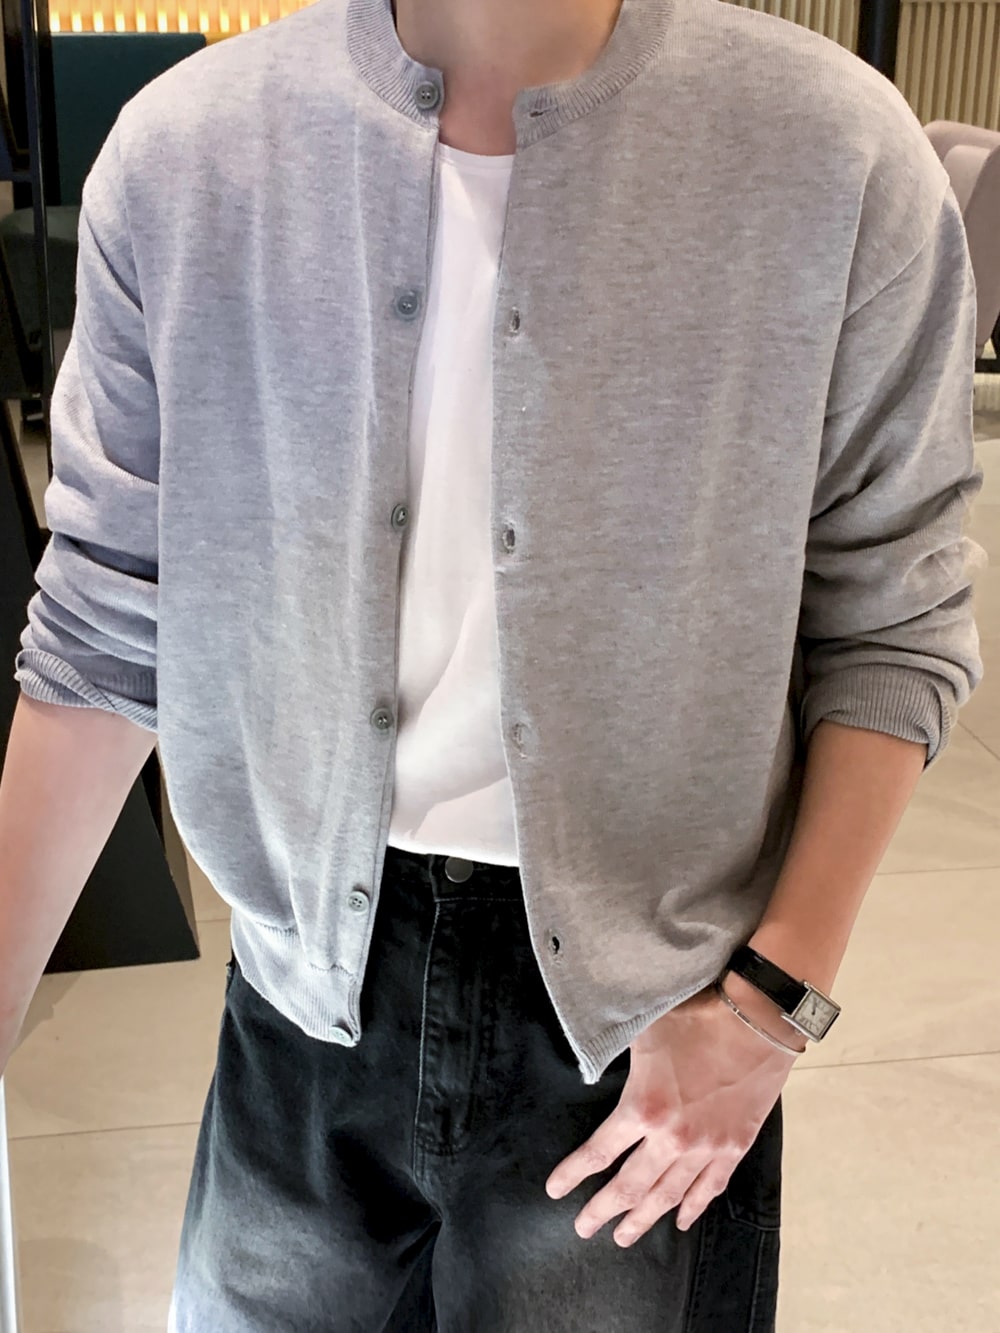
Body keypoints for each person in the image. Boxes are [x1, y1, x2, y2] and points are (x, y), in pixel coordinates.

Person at [0, 0, 987, 1328]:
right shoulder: (189, 154)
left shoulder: (830, 151)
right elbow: (107, 620)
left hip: (650, 1019)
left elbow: (894, 616)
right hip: (299, 998)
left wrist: (771, 1007)